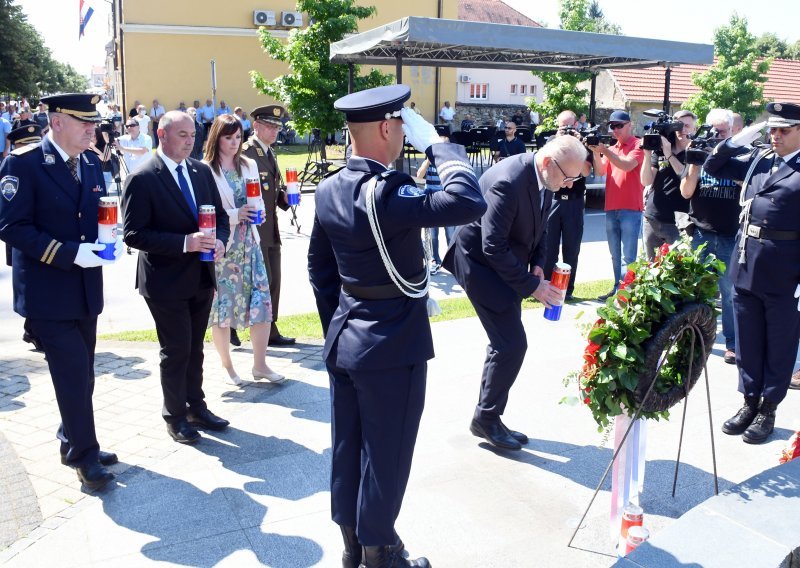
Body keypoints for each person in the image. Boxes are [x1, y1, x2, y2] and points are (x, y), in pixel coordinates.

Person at [308, 84, 485, 568]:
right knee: (386, 455)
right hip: (390, 346)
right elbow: (469, 202)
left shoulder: (328, 187)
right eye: (403, 126)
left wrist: (341, 327)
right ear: (388, 128)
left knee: (348, 449)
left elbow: (320, 270)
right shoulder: (388, 191)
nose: (405, 134)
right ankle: (381, 553)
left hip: (348, 340)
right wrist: (440, 146)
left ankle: (352, 548)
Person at [0, 93, 123, 489]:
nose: (93, 129)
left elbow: (94, 213)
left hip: (86, 286)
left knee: (83, 372)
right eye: (83, 122)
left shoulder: (89, 160)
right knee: (72, 372)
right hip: (48, 290)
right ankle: (85, 456)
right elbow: (12, 227)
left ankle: (72, 438)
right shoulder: (24, 163)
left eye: (94, 122)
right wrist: (71, 254)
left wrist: (108, 239)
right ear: (57, 123)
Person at [443, 135, 583, 452]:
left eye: (575, 178)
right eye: (568, 176)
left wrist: (537, 264)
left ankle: (488, 416)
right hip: (479, 265)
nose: (570, 184)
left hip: (504, 265)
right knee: (511, 343)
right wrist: (533, 286)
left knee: (505, 343)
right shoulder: (509, 181)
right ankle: (486, 418)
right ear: (548, 162)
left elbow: (542, 229)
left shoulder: (546, 177)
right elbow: (492, 246)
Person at [121, 111, 231, 445]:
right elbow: (133, 234)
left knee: (195, 347)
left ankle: (196, 406)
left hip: (201, 275)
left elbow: (221, 216)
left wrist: (222, 240)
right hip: (164, 280)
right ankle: (176, 416)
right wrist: (185, 243)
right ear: (161, 134)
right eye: (182, 134)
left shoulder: (200, 171)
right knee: (176, 349)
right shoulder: (142, 178)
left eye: (192, 135)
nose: (189, 141)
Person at [705, 102, 800, 444]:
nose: (775, 136)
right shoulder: (759, 160)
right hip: (746, 261)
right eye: (772, 129)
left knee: (779, 342)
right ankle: (748, 401)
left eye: (783, 130)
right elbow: (713, 165)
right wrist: (740, 138)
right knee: (747, 339)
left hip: (785, 269)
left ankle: (768, 407)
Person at [203, 114, 285, 387]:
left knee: (260, 301)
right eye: (228, 138)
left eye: (238, 137)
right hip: (223, 245)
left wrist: (257, 214)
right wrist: (237, 214)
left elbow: (258, 201)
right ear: (217, 138)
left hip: (250, 242)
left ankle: (260, 364)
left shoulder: (248, 164)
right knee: (223, 306)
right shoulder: (206, 170)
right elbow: (205, 213)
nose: (234, 143)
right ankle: (228, 367)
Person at [680, 108, 743, 365]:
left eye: (722, 132)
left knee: (728, 293)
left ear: (732, 132)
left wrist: (724, 160)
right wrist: (695, 163)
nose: (716, 136)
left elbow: (749, 188)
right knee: (696, 290)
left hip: (729, 235)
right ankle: (695, 338)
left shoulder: (740, 155)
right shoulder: (698, 153)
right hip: (701, 233)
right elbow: (686, 193)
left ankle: (732, 343)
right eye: (713, 131)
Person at [242, 104, 296, 347]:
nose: (275, 131)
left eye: (277, 127)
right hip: (253, 228)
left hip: (270, 227)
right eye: (269, 126)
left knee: (274, 280)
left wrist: (284, 197)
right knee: (255, 281)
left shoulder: (269, 152)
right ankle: (233, 326)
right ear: (256, 126)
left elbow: (273, 189)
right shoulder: (246, 153)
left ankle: (270, 328)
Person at [588, 110, 645, 299]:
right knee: (614, 254)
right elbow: (600, 171)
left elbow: (627, 165)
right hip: (611, 208)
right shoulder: (612, 149)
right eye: (612, 126)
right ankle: (617, 289)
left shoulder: (639, 145)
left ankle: (626, 292)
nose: (615, 130)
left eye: (619, 125)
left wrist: (604, 151)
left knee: (628, 257)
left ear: (629, 125)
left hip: (631, 208)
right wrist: (596, 153)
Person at [543, 110, 593, 301]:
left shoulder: (583, 143)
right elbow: (544, 165)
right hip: (554, 200)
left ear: (576, 126)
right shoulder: (550, 141)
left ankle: (567, 290)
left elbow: (586, 171)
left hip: (574, 201)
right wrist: (558, 140)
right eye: (561, 126)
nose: (565, 130)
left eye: (569, 126)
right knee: (548, 246)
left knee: (571, 248)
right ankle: (546, 286)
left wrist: (578, 144)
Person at [4, 124, 45, 351]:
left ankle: (32, 329)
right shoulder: (13, 163)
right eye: (26, 144)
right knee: (26, 281)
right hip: (21, 237)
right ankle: (33, 329)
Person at [640, 109, 696, 260]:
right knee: (650, 268)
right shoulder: (661, 149)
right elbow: (646, 181)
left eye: (686, 126)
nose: (682, 130)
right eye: (678, 125)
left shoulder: (696, 152)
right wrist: (647, 155)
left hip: (680, 222)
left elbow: (684, 175)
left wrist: (669, 154)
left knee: (677, 272)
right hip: (653, 218)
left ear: (694, 129)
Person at [415, 136, 456, 273]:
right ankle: (435, 260)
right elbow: (419, 176)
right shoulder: (430, 162)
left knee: (450, 234)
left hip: (446, 201)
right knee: (433, 235)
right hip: (431, 202)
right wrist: (427, 160)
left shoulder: (449, 162)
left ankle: (452, 262)